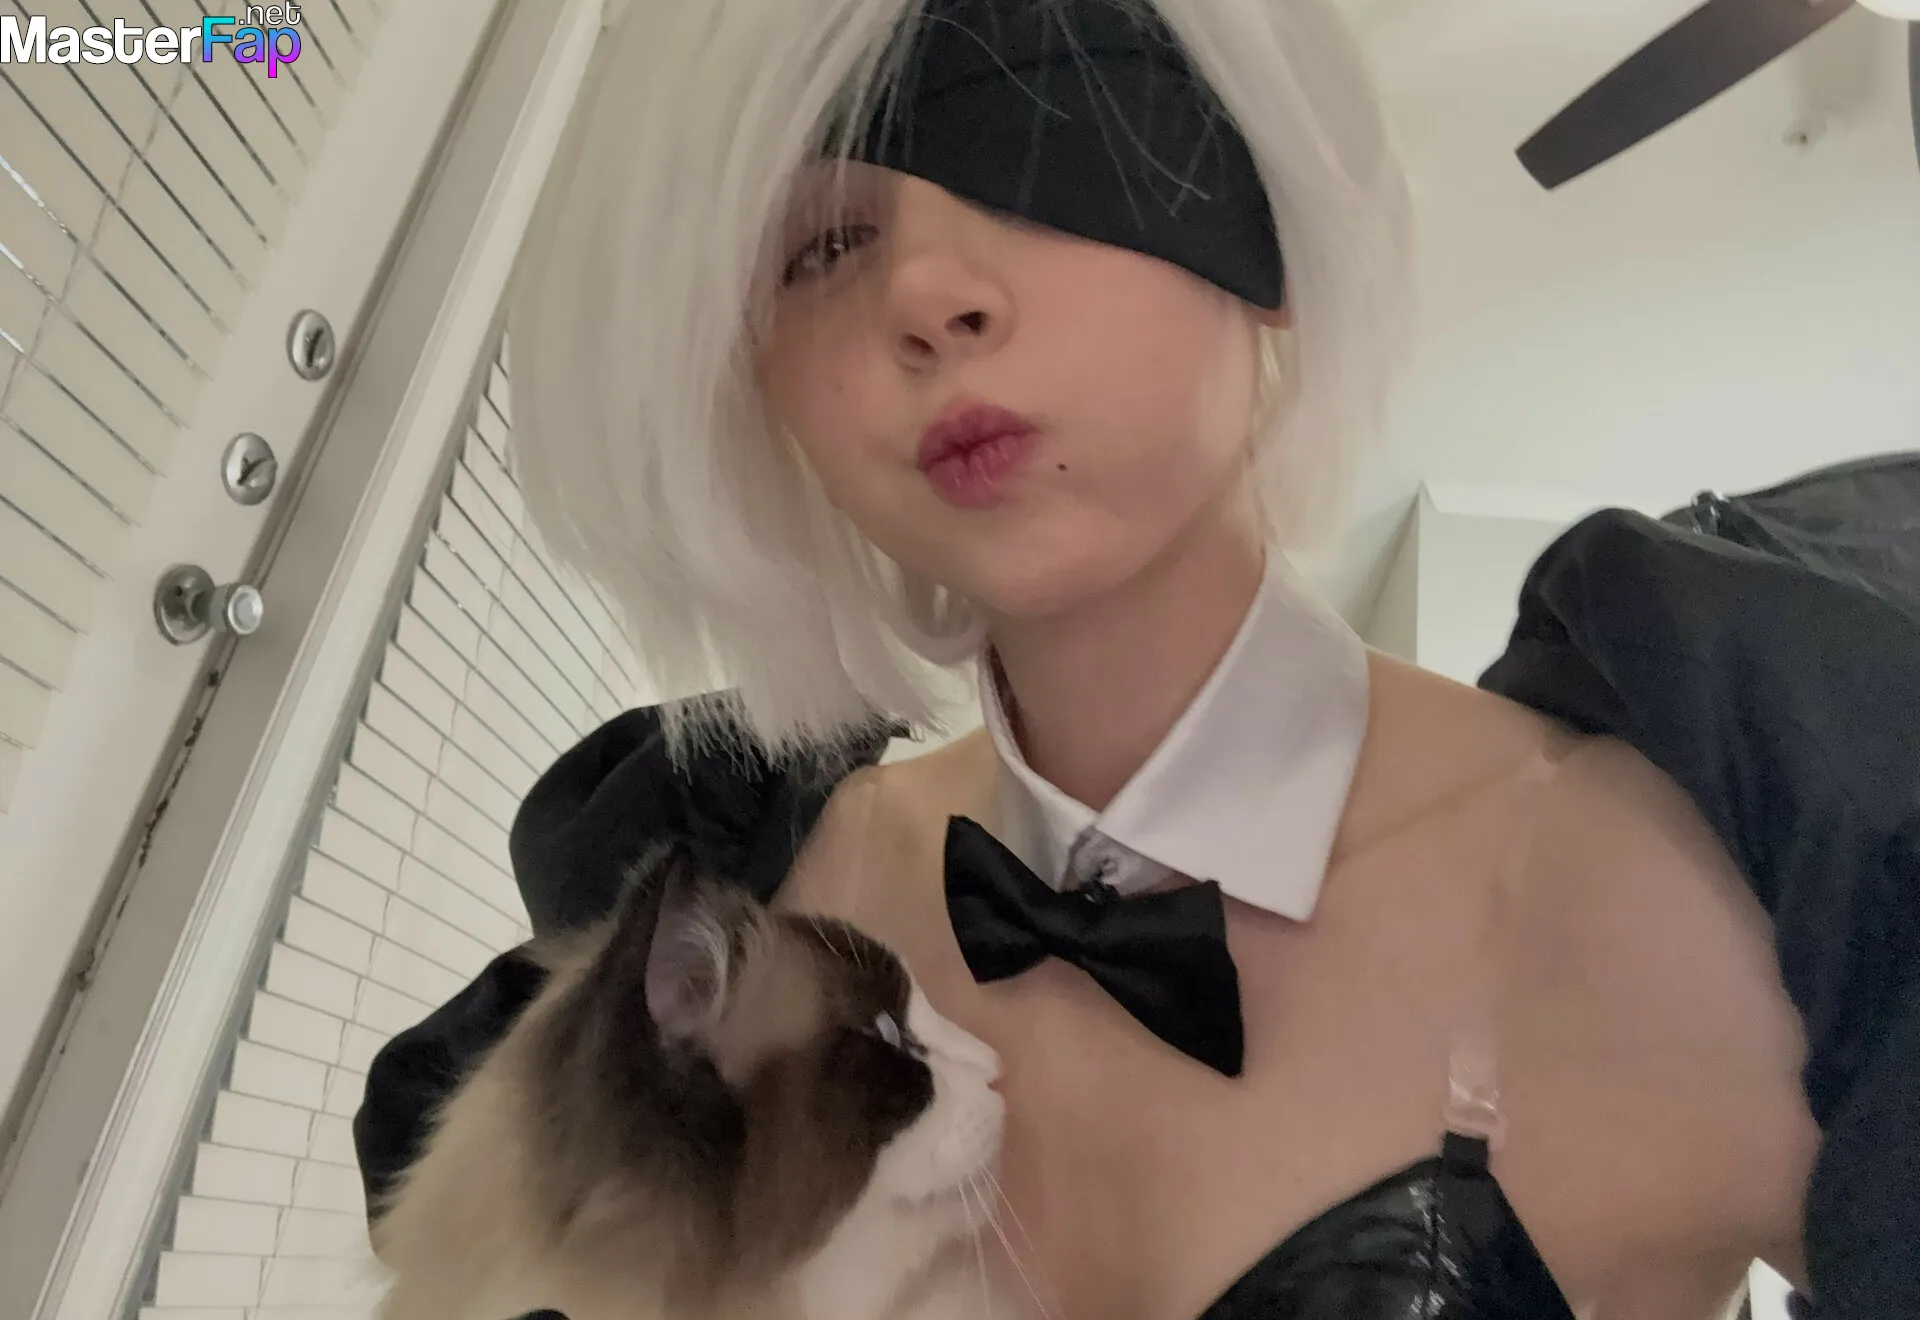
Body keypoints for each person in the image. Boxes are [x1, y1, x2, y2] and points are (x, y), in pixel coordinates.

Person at [356, 1, 1920, 1316]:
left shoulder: (1726, 907)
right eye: (824, 242)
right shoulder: (743, 926)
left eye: (1036, 141)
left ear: (1266, 234)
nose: (927, 295)